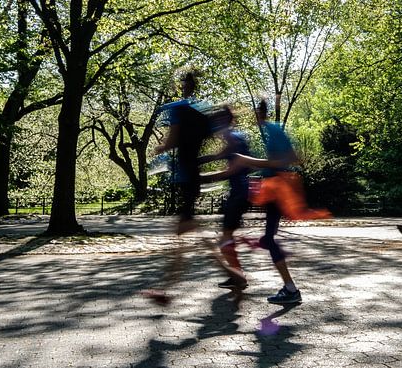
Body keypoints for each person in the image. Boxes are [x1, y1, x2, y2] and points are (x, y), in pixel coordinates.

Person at [230, 99, 330, 305]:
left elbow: (287, 160)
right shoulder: (271, 130)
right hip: (275, 189)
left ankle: (291, 289)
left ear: (261, 112)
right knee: (268, 239)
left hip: (278, 189)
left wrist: (247, 161)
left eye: (255, 111)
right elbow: (285, 160)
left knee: (269, 239)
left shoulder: (273, 130)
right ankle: (288, 285)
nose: (254, 116)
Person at [141, 70, 213, 305]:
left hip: (185, 177)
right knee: (189, 232)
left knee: (183, 235)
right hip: (193, 176)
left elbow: (172, 140)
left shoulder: (178, 110)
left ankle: (166, 289)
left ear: (183, 86)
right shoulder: (201, 113)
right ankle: (232, 274)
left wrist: (159, 149)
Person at [197, 106, 252, 291]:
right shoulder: (235, 137)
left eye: (217, 121)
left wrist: (204, 178)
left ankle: (238, 277)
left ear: (223, 121)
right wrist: (197, 160)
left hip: (240, 193)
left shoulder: (232, 138)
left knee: (224, 239)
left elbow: (232, 170)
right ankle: (237, 275)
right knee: (226, 237)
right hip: (240, 192)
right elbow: (217, 156)